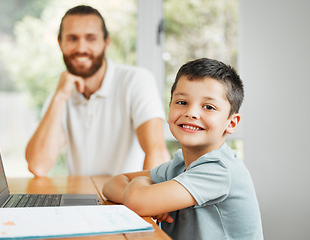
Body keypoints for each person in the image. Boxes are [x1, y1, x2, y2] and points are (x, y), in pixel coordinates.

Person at [103, 58, 263, 240]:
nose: (191, 113)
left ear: (231, 122)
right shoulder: (179, 165)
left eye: (208, 107)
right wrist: (145, 196)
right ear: (169, 107)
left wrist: (143, 189)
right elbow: (112, 184)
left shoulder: (220, 169)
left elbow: (136, 201)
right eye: (182, 102)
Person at [25, 5, 169, 177]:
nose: (81, 48)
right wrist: (59, 97)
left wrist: (143, 199)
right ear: (60, 43)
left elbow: (157, 153)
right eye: (72, 39)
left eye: (91, 38)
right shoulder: (59, 97)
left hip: (125, 198)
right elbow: (38, 166)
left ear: (106, 42)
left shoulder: (136, 81)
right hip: (79, 200)